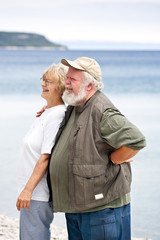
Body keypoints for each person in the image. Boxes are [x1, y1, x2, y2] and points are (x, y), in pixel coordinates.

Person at [47, 57, 146, 240]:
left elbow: (136, 140)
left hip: (102, 210)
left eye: (72, 79)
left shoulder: (101, 110)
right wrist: (49, 108)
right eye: (67, 78)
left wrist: (115, 158)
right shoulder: (77, 104)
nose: (66, 82)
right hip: (80, 205)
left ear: (90, 85)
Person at [16, 63, 67, 240]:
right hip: (31, 191)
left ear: (60, 87)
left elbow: (46, 157)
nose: (42, 84)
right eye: (42, 80)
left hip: (38, 193)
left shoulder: (57, 115)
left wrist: (27, 191)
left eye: (48, 81)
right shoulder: (48, 112)